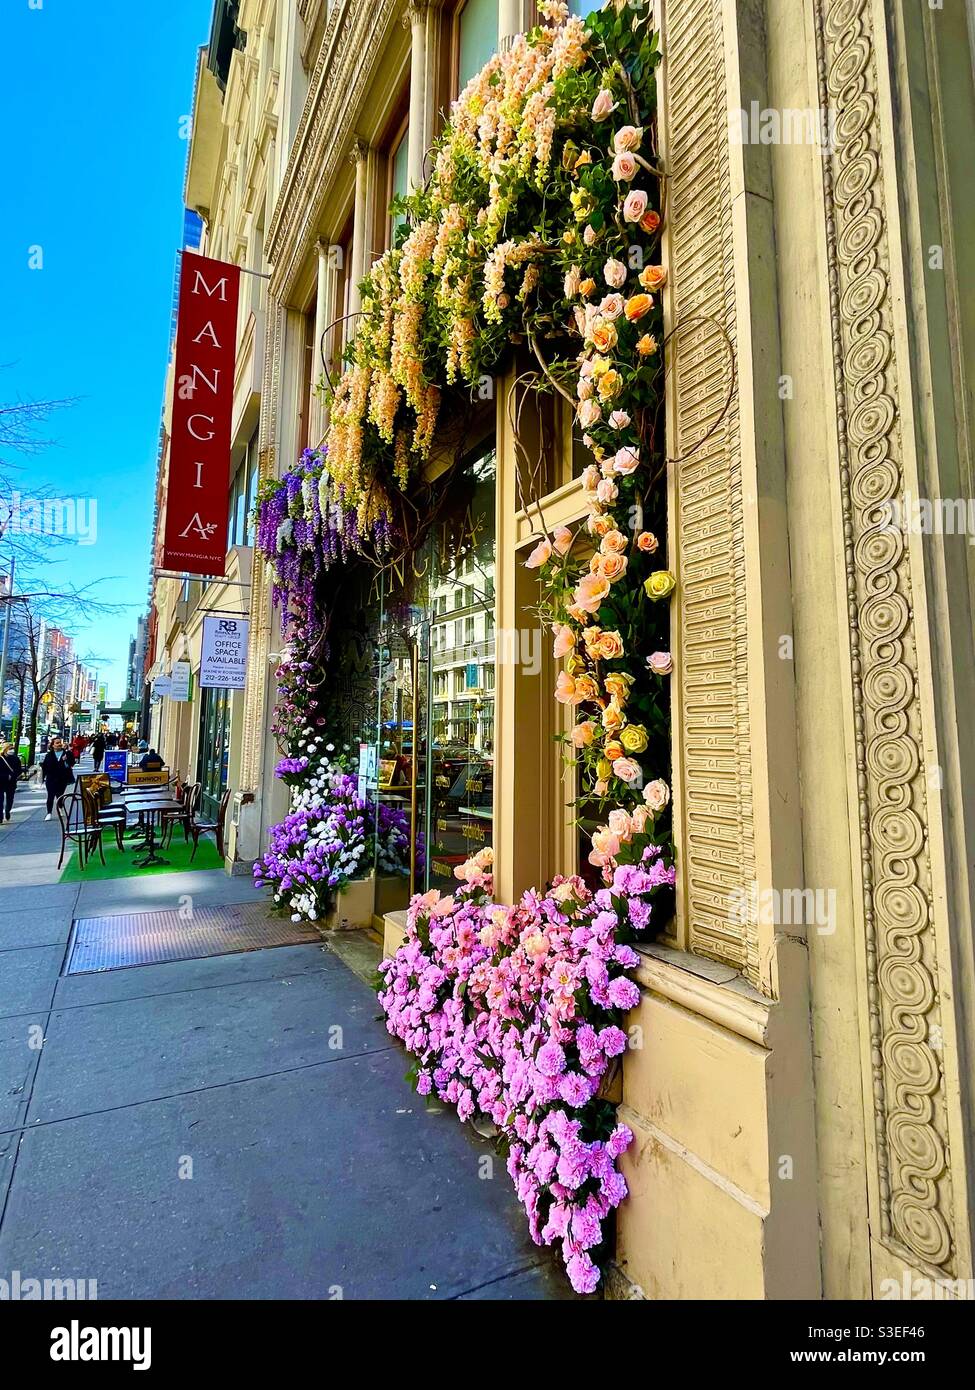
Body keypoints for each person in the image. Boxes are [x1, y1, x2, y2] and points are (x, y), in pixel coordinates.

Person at [41, 738, 75, 819]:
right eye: (57, 743)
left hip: (62, 778)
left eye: (60, 742)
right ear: (53, 745)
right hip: (51, 778)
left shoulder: (67, 753)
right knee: (50, 796)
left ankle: (60, 807)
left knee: (60, 795)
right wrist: (42, 778)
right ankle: (49, 813)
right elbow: (46, 767)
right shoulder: (49, 755)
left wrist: (66, 761)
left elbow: (71, 764)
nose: (59, 744)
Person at [0, 743, 22, 822]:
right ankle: (0, 817)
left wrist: (13, 776)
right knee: (0, 799)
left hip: (11, 782)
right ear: (5, 749)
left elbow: (19, 770)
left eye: (12, 748)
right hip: (1, 781)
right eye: (10, 748)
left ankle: (7, 810)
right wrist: (6, 776)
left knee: (10, 799)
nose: (12, 750)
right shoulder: (1, 758)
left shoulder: (15, 758)